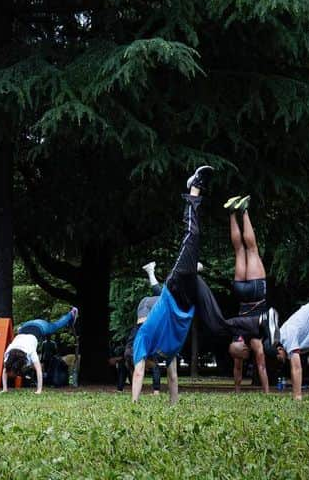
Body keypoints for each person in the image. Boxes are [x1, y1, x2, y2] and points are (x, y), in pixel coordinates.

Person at [130, 167, 280, 403]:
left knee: (192, 237)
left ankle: (194, 187)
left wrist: (134, 405)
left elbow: (138, 372)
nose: (151, 367)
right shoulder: (166, 352)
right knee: (218, 325)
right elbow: (173, 378)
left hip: (176, 287)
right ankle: (261, 321)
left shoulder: (142, 341)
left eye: (149, 366)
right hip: (190, 297)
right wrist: (173, 406)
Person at [223, 195, 271, 393]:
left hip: (255, 291)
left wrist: (237, 390)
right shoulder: (241, 338)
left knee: (251, 249)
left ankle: (244, 210)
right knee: (240, 250)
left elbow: (254, 366)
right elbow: (260, 367)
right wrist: (267, 393)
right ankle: (233, 212)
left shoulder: (253, 341)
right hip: (241, 293)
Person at [0, 307, 78, 394]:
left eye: (12, 373)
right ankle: (70, 323)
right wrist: (5, 389)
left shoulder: (29, 352)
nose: (10, 375)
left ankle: (72, 313)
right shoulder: (8, 354)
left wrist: (39, 390)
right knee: (53, 327)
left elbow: (39, 370)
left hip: (40, 326)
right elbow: (5, 370)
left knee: (55, 326)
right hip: (25, 326)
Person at [118, 263, 163, 393]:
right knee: (163, 298)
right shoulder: (137, 354)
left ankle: (150, 271)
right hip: (143, 312)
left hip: (143, 310)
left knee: (163, 297)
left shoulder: (134, 354)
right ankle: (150, 271)